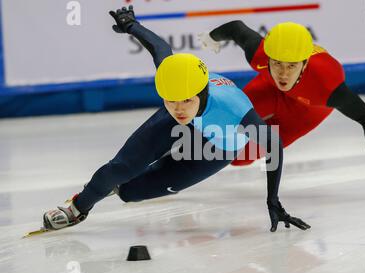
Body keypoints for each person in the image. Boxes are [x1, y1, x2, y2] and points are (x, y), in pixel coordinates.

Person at [42, 6, 311, 233]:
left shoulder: (234, 111)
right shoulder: (176, 85)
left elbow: (273, 144)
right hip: (182, 125)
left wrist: (272, 200)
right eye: (171, 100)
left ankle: (118, 188)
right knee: (121, 168)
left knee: (130, 192)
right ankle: (78, 208)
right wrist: (132, 25)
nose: (179, 108)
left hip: (218, 147)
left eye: (186, 101)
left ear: (202, 92)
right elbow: (160, 48)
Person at [199, 21, 365, 199]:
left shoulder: (327, 86)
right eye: (278, 64)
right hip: (269, 88)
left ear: (304, 64)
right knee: (225, 120)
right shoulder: (260, 56)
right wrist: (211, 37)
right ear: (269, 59)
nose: (283, 74)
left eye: (291, 66)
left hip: (307, 110)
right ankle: (176, 150)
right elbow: (236, 28)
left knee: (239, 157)